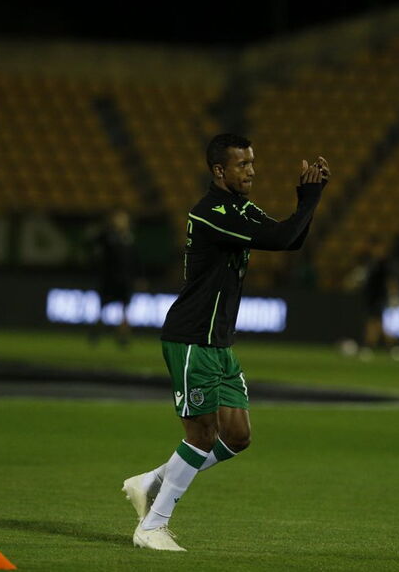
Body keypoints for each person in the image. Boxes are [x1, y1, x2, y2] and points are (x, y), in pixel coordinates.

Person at [121, 133, 330, 551]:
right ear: (219, 170)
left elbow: (289, 237)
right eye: (242, 164)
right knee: (201, 435)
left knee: (236, 436)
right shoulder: (212, 212)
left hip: (219, 342)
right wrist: (307, 200)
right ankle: (151, 527)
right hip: (192, 339)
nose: (251, 170)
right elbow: (282, 238)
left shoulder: (239, 208)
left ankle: (153, 481)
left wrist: (310, 198)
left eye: (253, 162)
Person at [88, 209, 138, 347]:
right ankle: (96, 332)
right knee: (102, 308)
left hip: (125, 279)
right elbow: (98, 250)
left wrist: (138, 277)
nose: (122, 222)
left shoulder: (129, 238)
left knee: (125, 310)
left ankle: (123, 337)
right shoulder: (108, 237)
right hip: (109, 278)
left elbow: (134, 260)